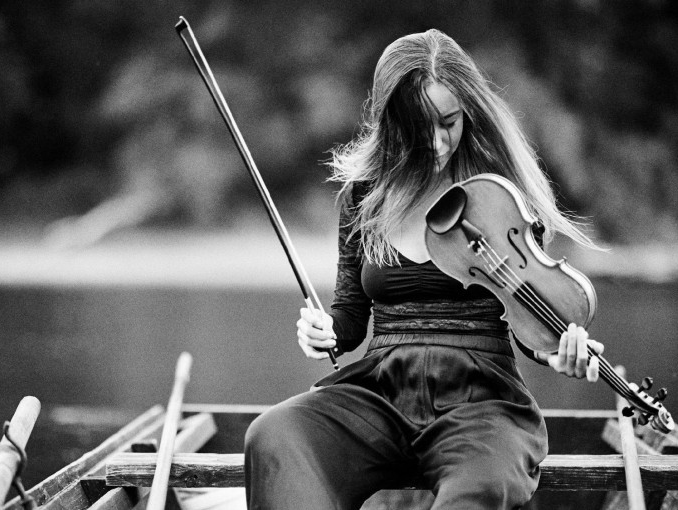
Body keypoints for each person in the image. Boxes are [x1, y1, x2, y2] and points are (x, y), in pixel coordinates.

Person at [244, 29, 605, 510]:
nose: (437, 142)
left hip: (481, 402)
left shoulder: (498, 195)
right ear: (391, 122)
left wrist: (558, 354)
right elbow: (350, 317)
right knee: (274, 435)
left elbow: (529, 320)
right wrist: (325, 332)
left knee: (481, 486)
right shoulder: (363, 197)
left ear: (468, 112)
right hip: (381, 393)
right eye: (419, 126)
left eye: (449, 122)